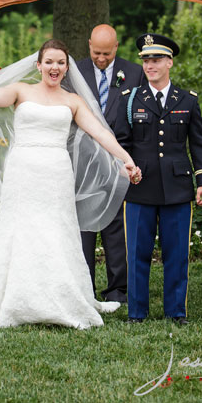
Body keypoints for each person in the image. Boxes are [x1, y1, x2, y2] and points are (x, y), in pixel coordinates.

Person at [0, 39, 142, 329]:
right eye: (50, 62)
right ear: (38, 65)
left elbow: (101, 135)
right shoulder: (21, 91)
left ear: (67, 68)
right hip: (24, 171)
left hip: (56, 173)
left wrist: (125, 158)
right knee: (22, 228)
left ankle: (62, 294)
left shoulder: (73, 101)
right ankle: (16, 294)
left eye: (61, 63)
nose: (55, 67)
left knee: (56, 228)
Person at [115, 33, 202, 325]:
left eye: (156, 59)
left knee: (177, 254)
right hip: (140, 187)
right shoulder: (130, 99)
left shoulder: (187, 100)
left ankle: (176, 311)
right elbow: (121, 141)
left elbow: (199, 144)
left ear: (169, 62)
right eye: (145, 59)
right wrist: (125, 166)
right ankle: (137, 313)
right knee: (137, 254)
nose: (149, 65)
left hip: (177, 188)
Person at [77, 24, 144, 303]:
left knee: (117, 227)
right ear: (89, 44)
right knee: (83, 226)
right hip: (82, 162)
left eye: (106, 53)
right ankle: (83, 287)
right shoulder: (75, 70)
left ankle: (118, 290)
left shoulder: (135, 73)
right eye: (95, 52)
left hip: (119, 161)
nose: (100, 58)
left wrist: (130, 160)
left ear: (116, 47)